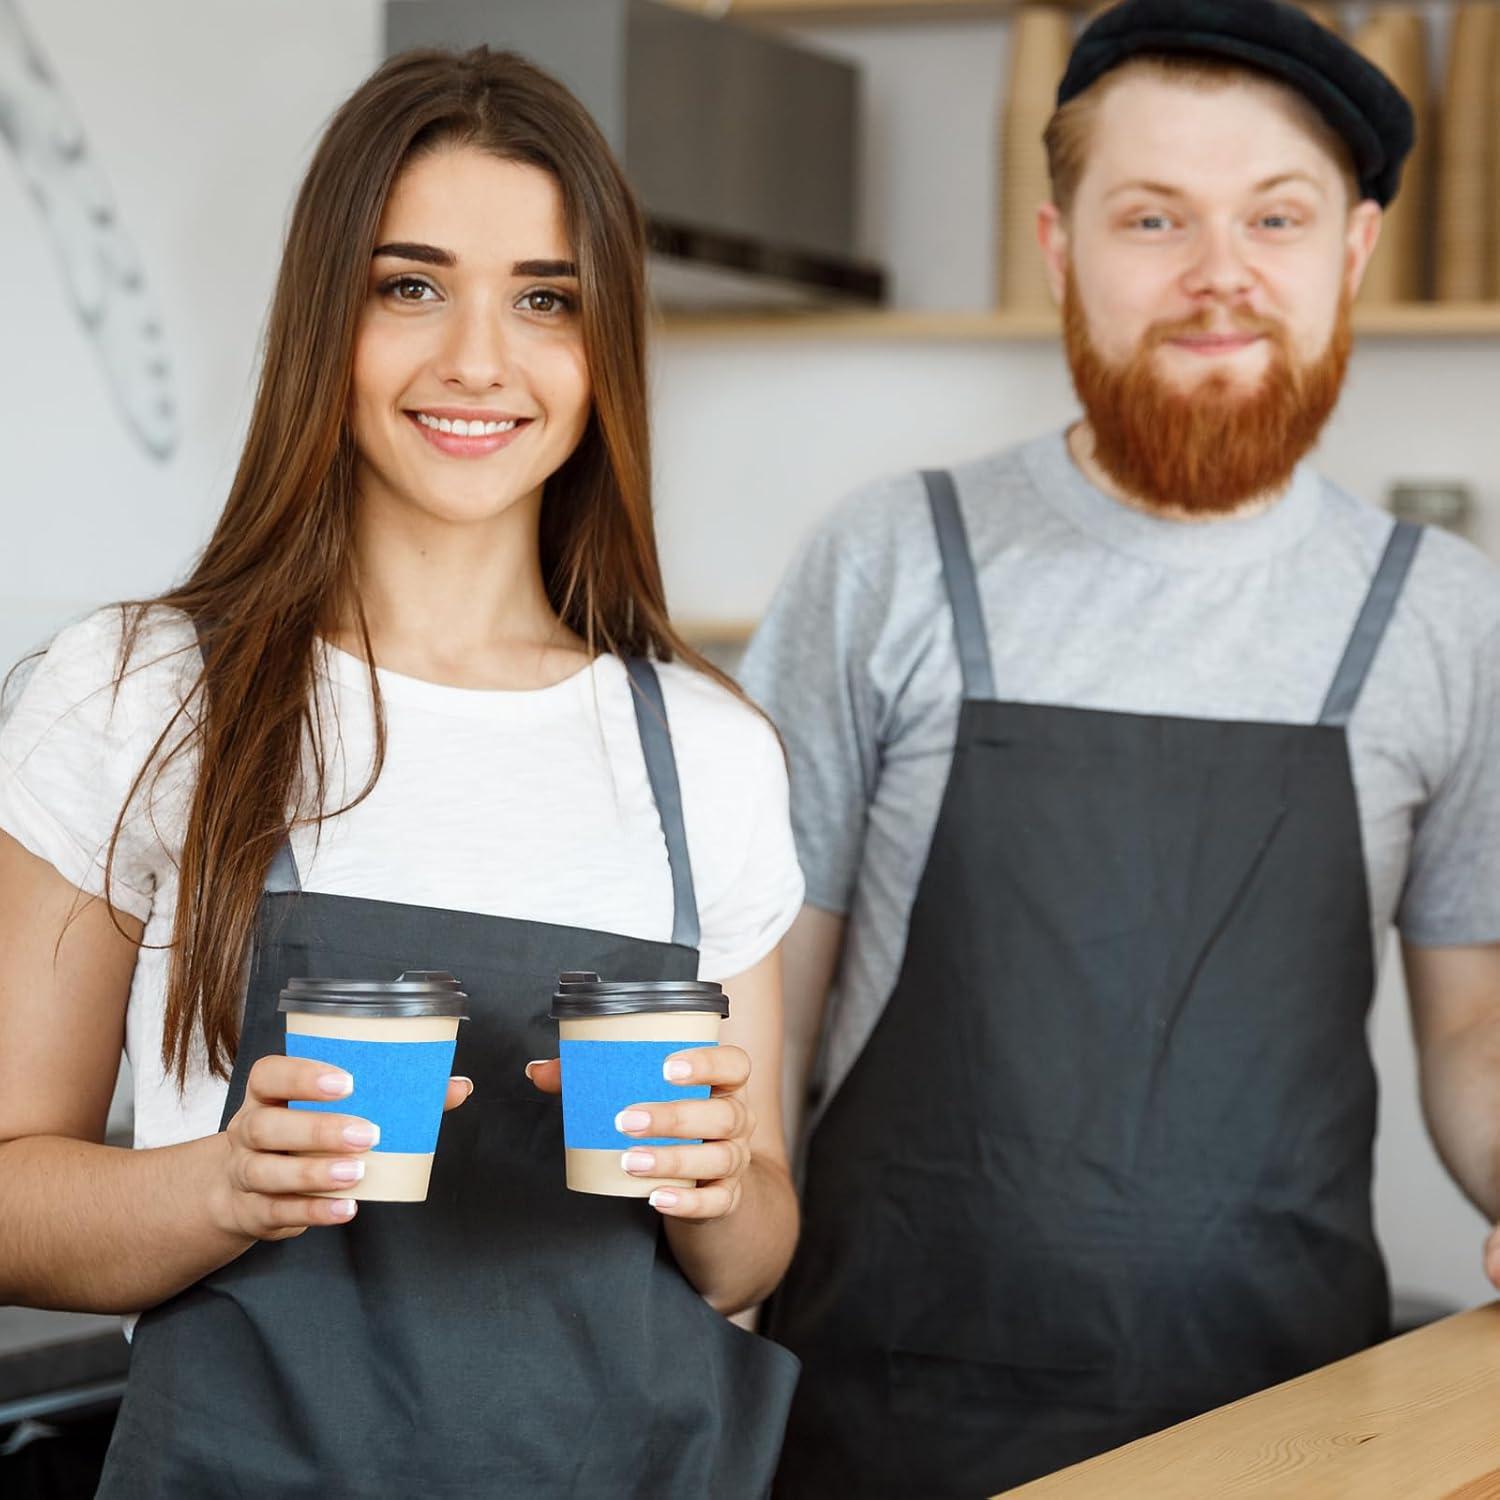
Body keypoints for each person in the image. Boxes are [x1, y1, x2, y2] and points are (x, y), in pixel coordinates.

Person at [0, 47, 802, 1498]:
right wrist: (225, 1187)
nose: (479, 360)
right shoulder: (136, 696)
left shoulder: (710, 751)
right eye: (411, 285)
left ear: (603, 347)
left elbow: (755, 1256)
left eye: (545, 299)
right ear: (330, 318)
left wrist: (721, 1183)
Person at [743, 2, 1500, 1495]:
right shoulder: (892, 560)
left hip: (1296, 1429)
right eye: (1154, 217)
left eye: (1274, 218)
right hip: (883, 1428)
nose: (1220, 277)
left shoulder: (1441, 614)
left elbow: (1473, 1033)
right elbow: (757, 1015)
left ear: (1347, 255)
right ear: (1059, 247)